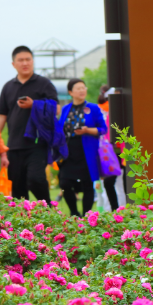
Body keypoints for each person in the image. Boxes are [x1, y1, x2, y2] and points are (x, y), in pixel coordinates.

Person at [0, 45, 60, 202]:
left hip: (37, 143)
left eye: (28, 59)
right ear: (13, 64)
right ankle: (23, 220)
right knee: (17, 187)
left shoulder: (44, 83)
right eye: (21, 60)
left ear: (33, 61)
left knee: (35, 179)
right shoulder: (8, 87)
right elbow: (1, 116)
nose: (25, 63)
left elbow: (56, 108)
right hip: (14, 145)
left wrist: (34, 104)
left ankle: (47, 209)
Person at [56, 78, 108, 217]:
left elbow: (103, 129)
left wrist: (88, 130)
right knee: (65, 183)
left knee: (87, 184)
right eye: (78, 88)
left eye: (83, 88)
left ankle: (86, 216)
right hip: (68, 152)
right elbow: (60, 129)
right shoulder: (66, 108)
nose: (81, 90)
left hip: (87, 151)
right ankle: (74, 213)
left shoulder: (93, 108)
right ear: (70, 92)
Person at [96, 85, 123, 211]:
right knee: (113, 184)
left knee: (118, 184)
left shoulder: (117, 112)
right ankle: (116, 210)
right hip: (113, 153)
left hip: (120, 153)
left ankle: (119, 210)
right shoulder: (109, 114)